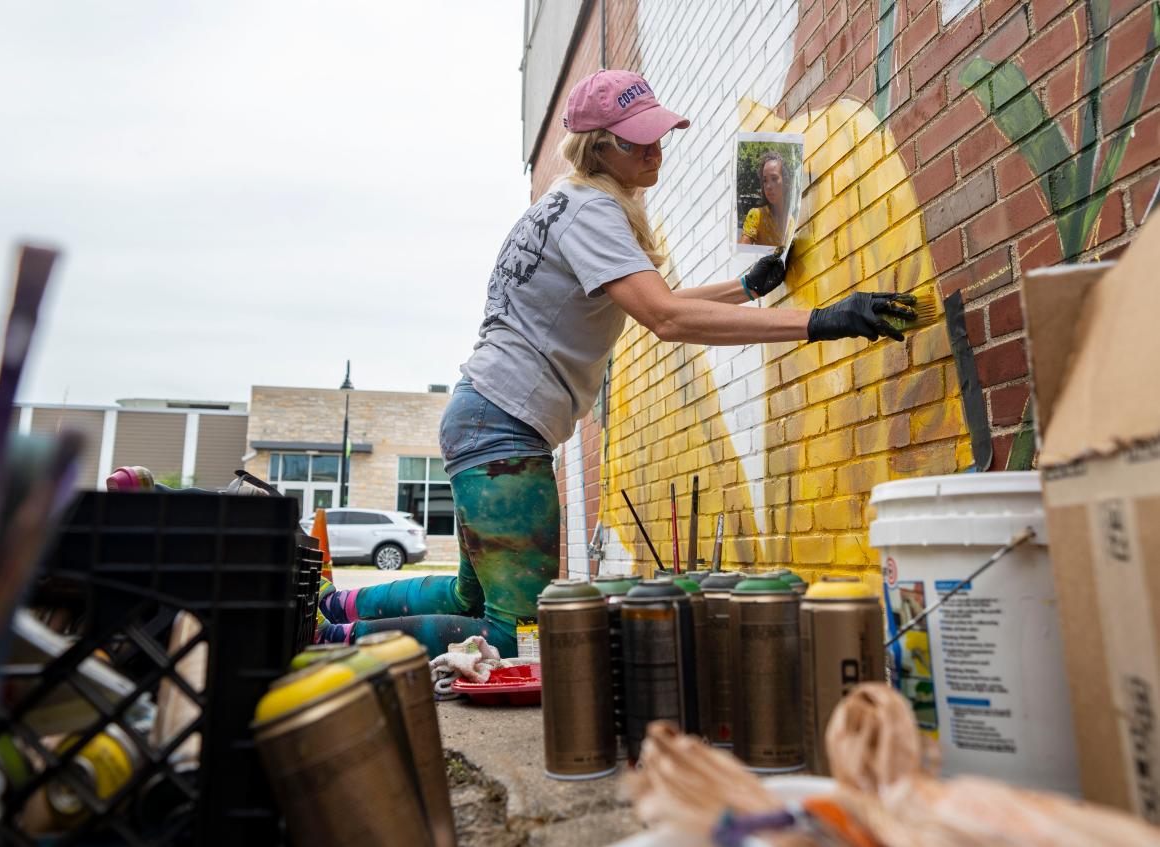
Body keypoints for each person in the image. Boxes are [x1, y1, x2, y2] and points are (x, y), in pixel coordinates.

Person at [316, 69, 915, 658]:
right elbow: (667, 320)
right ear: (598, 148)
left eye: (658, 135)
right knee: (515, 634)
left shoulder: (574, 204)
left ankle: (336, 608)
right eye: (638, 141)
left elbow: (655, 302)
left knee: (468, 594)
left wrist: (745, 287)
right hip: (501, 429)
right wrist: (823, 320)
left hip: (485, 417)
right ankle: (331, 638)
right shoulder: (591, 214)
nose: (656, 151)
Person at [739, 151, 793, 247]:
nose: (768, 186)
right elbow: (742, 253)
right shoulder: (757, 215)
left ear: (785, 181)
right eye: (765, 180)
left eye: (774, 178)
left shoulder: (792, 222)